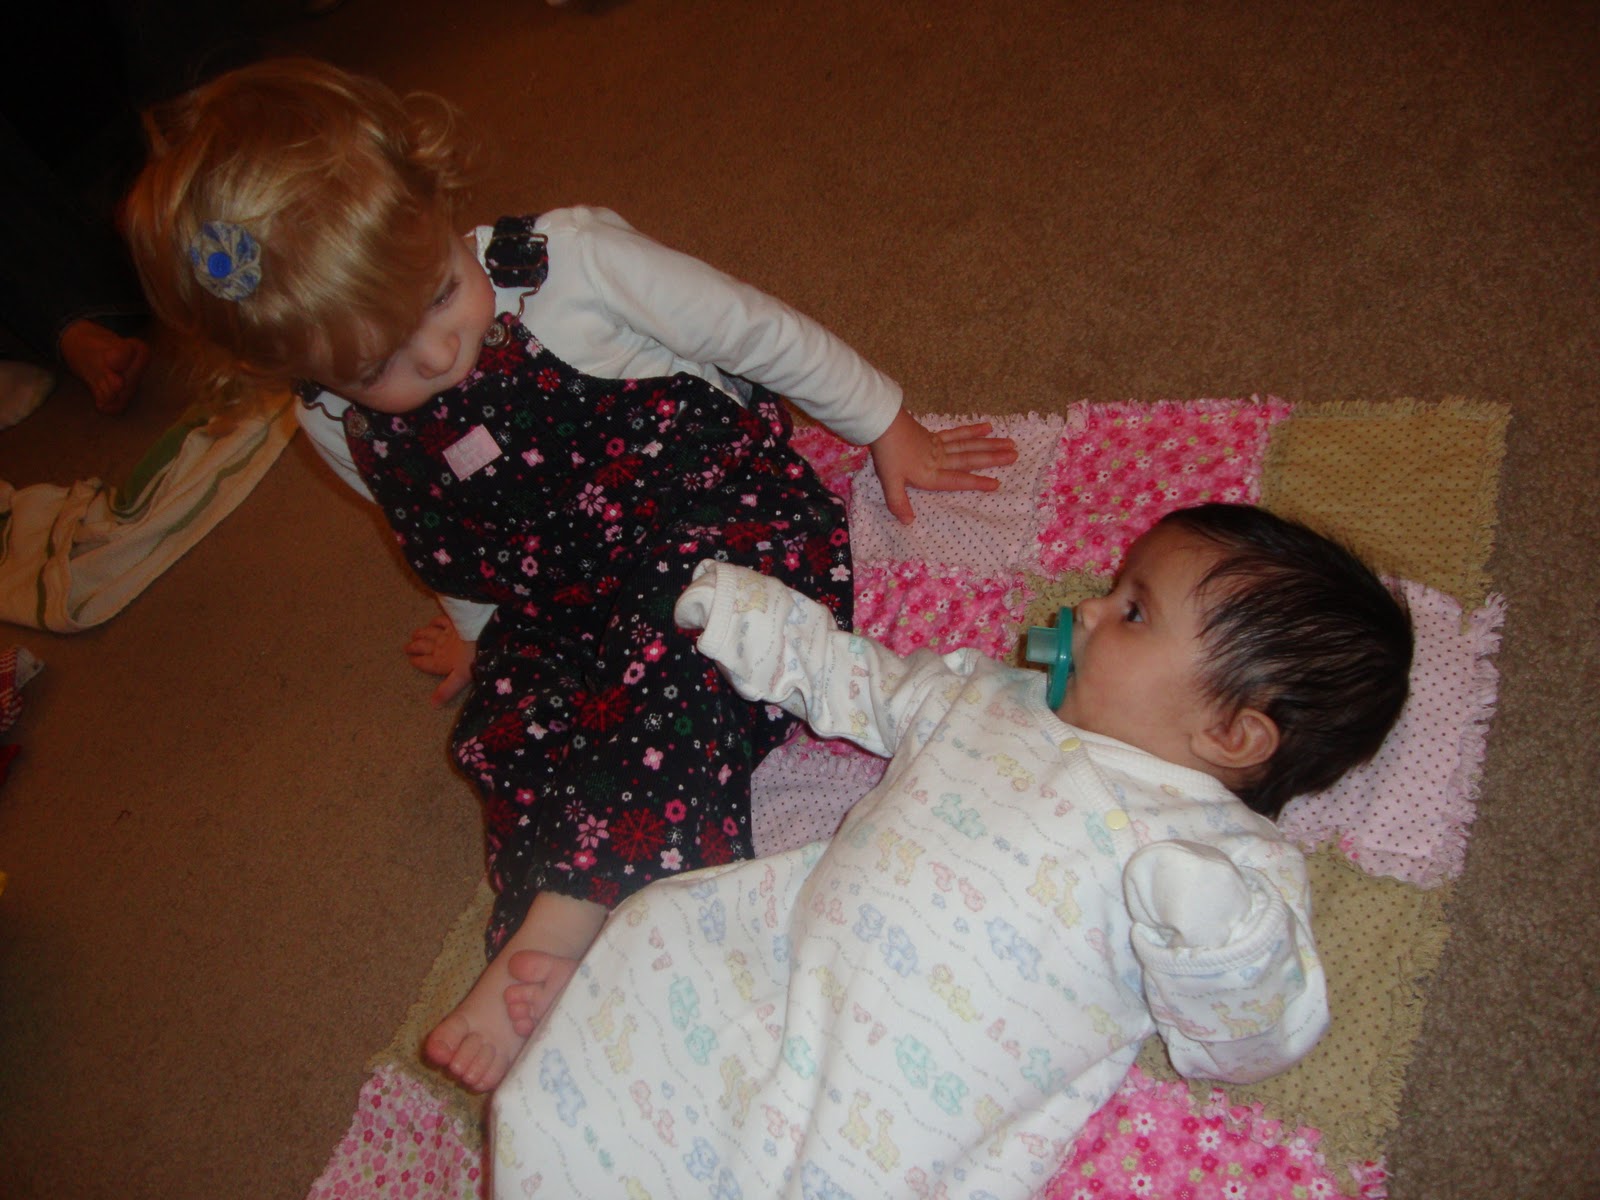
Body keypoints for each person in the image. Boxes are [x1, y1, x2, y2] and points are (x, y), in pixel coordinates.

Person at [118, 57, 1018, 1094]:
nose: (437, 355)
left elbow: (754, 328)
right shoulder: (328, 420)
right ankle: (563, 967)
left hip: (714, 522)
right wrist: (478, 634)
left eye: (440, 296)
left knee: (685, 656)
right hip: (560, 594)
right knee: (520, 726)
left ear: (433, 194)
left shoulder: (572, 267)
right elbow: (437, 530)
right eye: (376, 368)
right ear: (300, 370)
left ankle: (570, 918)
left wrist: (884, 420)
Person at [490, 503, 1413, 1198]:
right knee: (666, 951)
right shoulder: (994, 697)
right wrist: (757, 620)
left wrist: (1216, 940)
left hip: (917, 1095)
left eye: (1134, 612)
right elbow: (860, 680)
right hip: (792, 968)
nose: (1087, 609)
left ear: (1232, 734)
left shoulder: (1223, 858)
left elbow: (1253, 1041)